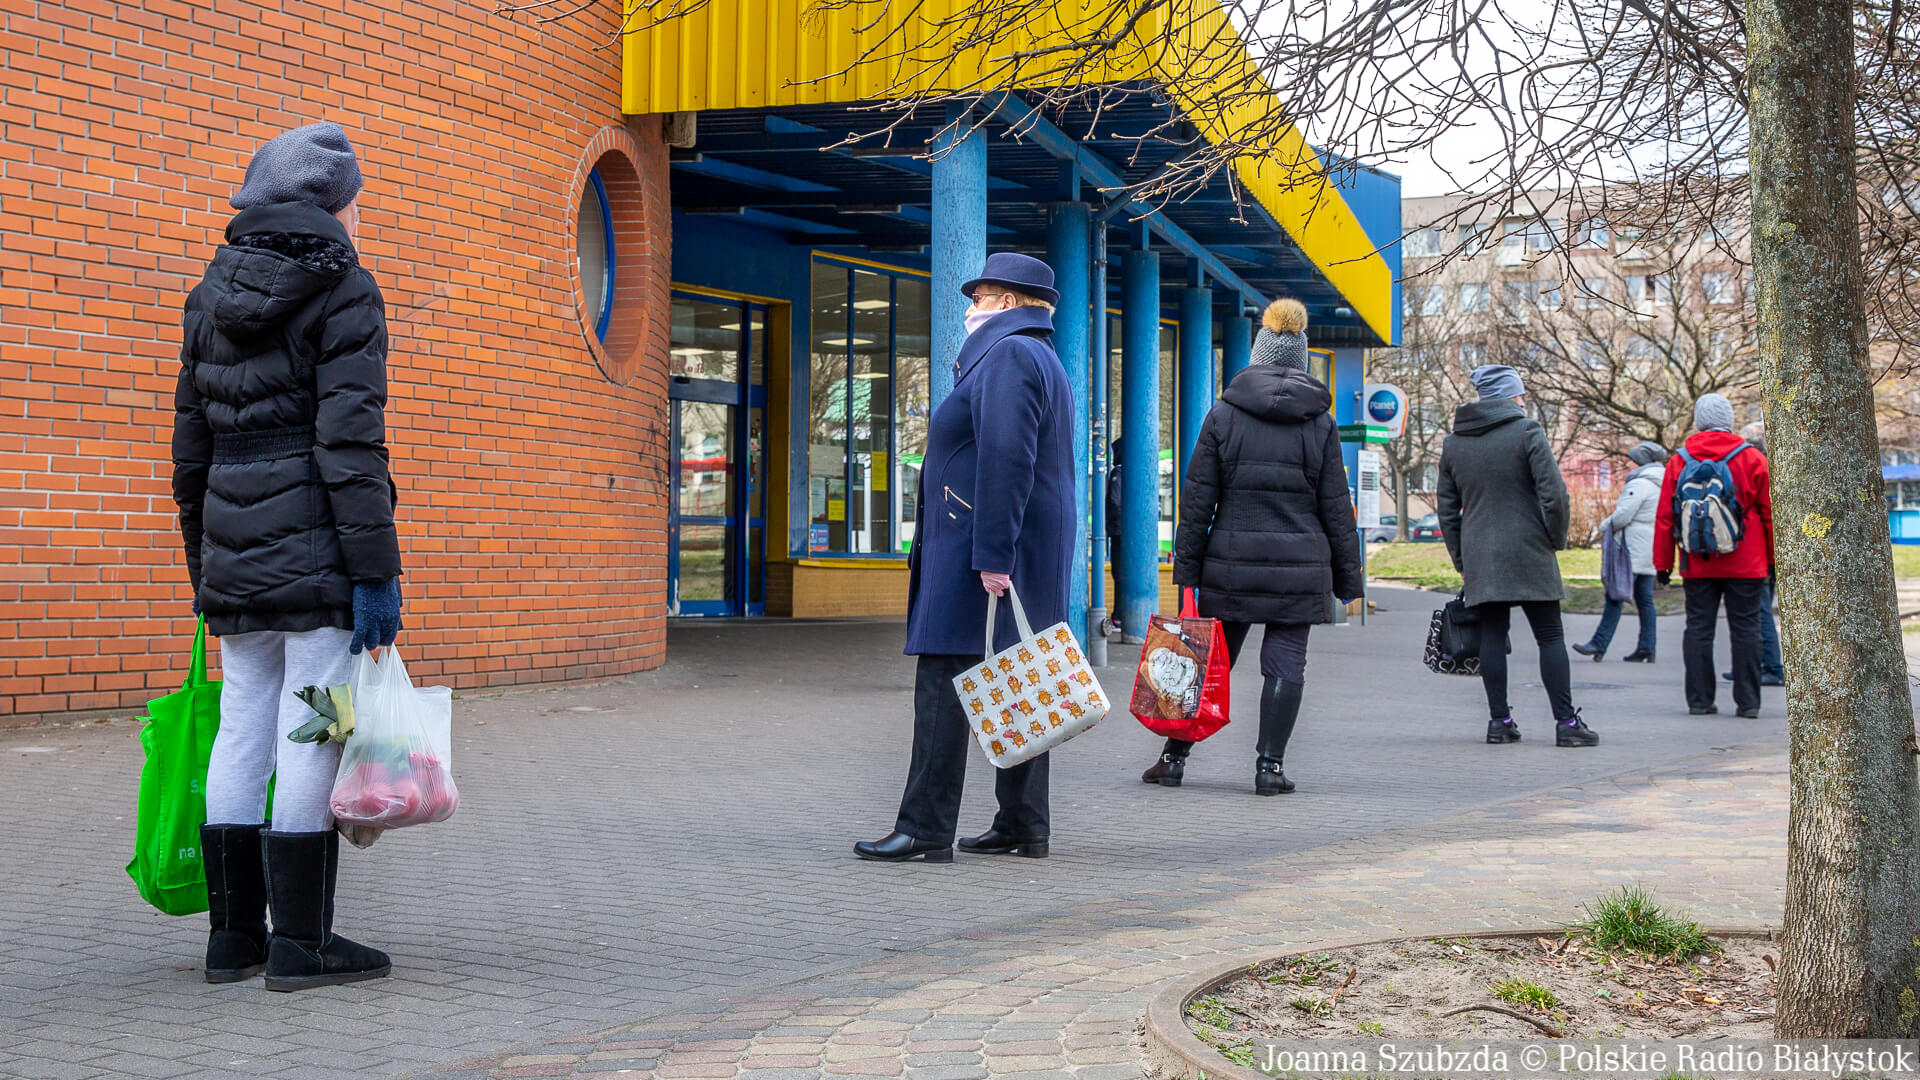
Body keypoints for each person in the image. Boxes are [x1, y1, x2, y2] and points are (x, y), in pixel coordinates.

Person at [173, 122, 403, 990]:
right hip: (318, 555)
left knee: (242, 726)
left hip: (233, 548)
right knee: (318, 726)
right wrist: (376, 571)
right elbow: (351, 444)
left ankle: (233, 938)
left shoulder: (206, 294)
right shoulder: (345, 290)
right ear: (332, 204)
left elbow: (188, 448)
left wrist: (204, 564)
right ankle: (302, 945)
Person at [856, 252, 1076, 863]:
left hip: (980, 548)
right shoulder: (1034, 355)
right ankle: (1023, 823)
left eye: (976, 297)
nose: (969, 309)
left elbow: (1006, 459)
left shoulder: (1007, 356)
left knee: (942, 683)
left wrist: (992, 557)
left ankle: (925, 830)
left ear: (1006, 302)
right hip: (1010, 545)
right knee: (1021, 679)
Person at [1142, 298, 1363, 794]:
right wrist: (1349, 580)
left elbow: (1198, 499)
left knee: (1208, 660)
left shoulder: (1224, 414)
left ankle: (1173, 759)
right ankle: (1270, 770)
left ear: (1258, 356)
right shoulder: (1320, 424)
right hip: (1300, 569)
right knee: (1286, 665)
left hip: (1231, 566)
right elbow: (1335, 506)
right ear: (1301, 360)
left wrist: (1188, 572)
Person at [1436, 365, 1599, 747]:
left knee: (1492, 635)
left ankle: (1500, 721)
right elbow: (1554, 495)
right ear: (1510, 397)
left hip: (1482, 556)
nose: (1524, 400)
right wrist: (1554, 539)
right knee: (1550, 635)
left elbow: (1447, 510)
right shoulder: (1527, 432)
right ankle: (1566, 724)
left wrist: (1462, 558)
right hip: (1530, 548)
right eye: (1520, 394)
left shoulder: (1454, 443)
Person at [1655, 395, 1775, 717]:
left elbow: (1666, 516)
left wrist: (1663, 564)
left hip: (1697, 560)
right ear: (1730, 419)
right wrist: (1775, 560)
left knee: (1698, 629)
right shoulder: (1751, 458)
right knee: (1747, 629)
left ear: (1698, 420)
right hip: (1746, 560)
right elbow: (1768, 513)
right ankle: (1748, 703)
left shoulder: (1679, 461)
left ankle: (1699, 700)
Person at [1573, 441, 1666, 662]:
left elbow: (1623, 516)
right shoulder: (1660, 483)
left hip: (1632, 549)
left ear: (1641, 462)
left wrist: (1604, 526)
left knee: (1615, 595)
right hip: (1649, 548)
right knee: (1645, 600)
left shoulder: (1641, 484)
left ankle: (1599, 643)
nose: (1628, 465)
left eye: (1631, 461)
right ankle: (1647, 647)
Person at [1722, 421, 1785, 686]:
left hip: (1761, 554)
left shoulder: (1757, 467)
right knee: (1758, 612)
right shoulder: (1774, 467)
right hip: (1768, 553)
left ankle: (1771, 666)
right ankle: (1754, 666)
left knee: (1759, 612)